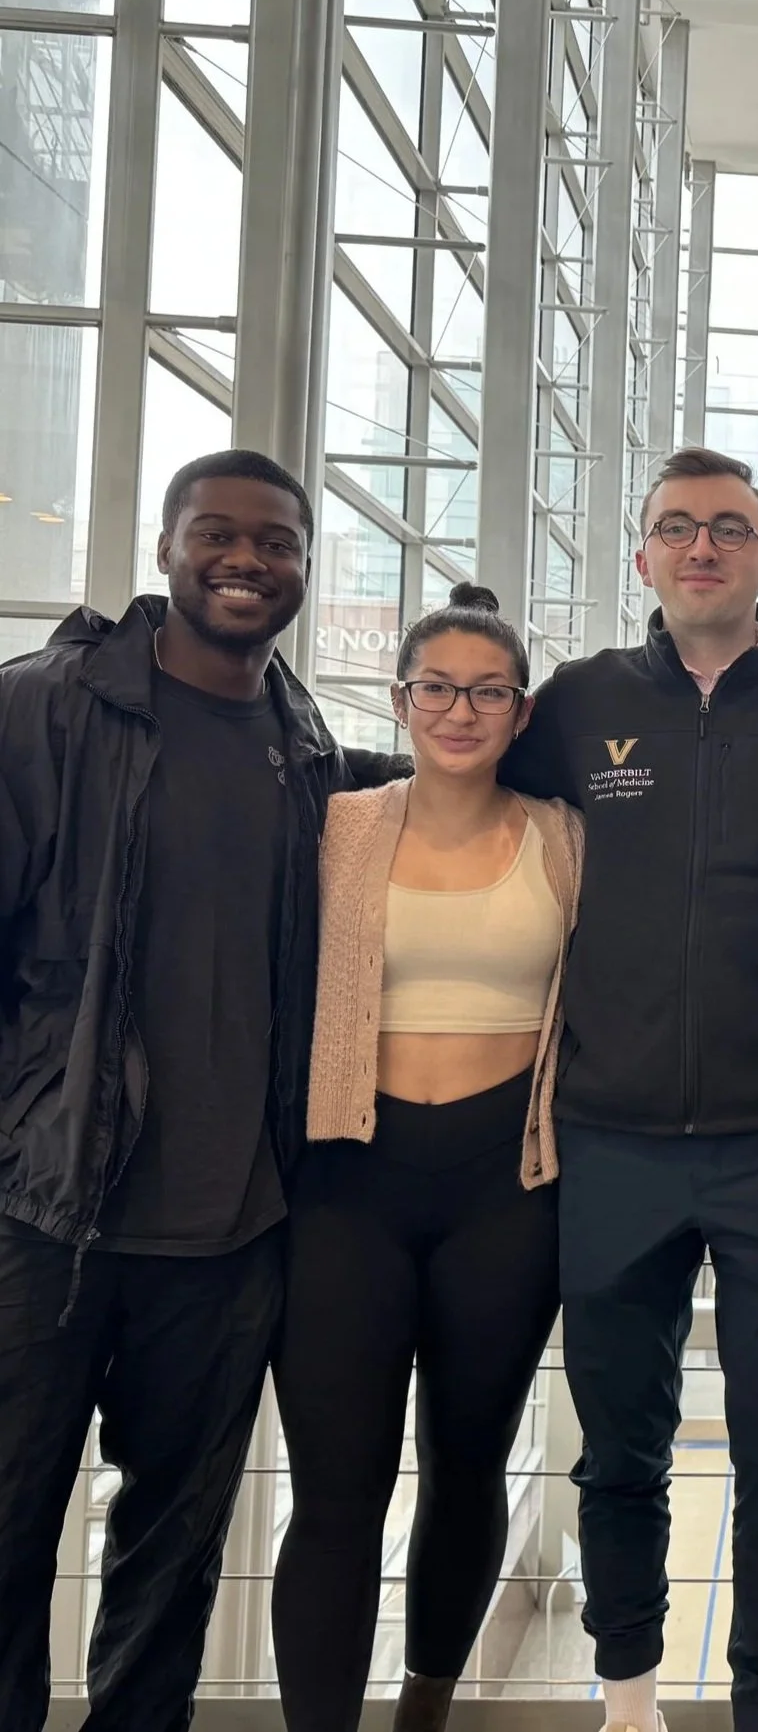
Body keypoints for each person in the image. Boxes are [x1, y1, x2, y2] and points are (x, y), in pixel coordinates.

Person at [0, 450, 401, 1729]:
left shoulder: (303, 745)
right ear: (168, 545)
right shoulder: (43, 711)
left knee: (168, 1565)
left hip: (227, 1233)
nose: (248, 559)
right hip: (44, 1214)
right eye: (219, 534)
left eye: (276, 542)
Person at [498, 446, 758, 1732]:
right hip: (614, 1140)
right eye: (674, 528)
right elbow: (456, 783)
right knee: (621, 1449)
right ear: (643, 556)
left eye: (727, 529)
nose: (699, 547)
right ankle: (628, 1695)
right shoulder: (580, 701)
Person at [271, 584, 583, 1732]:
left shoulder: (563, 836)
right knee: (337, 1490)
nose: (461, 709)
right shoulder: (340, 824)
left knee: (466, 1464)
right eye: (437, 687)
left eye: (486, 690)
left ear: (520, 707)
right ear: (402, 700)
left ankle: (425, 1708)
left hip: (506, 1186)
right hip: (349, 1180)